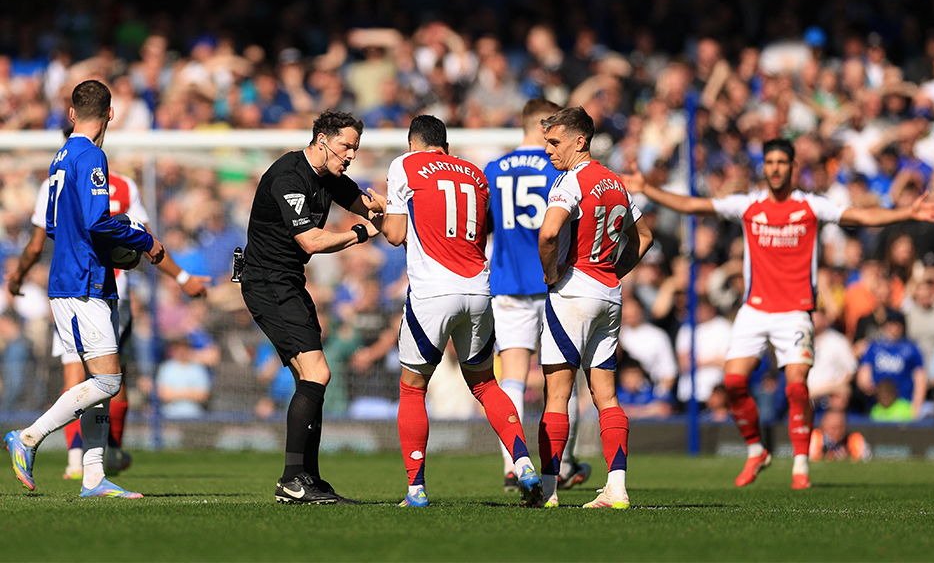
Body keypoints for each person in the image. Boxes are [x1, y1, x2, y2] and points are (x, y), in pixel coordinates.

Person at [621, 137, 934, 489]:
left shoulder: (810, 206)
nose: (775, 168)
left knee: (797, 386)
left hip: (795, 312)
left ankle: (801, 464)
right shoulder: (749, 205)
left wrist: (905, 213)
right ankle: (756, 450)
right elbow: (694, 205)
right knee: (733, 383)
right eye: (770, 162)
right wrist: (647, 188)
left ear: (793, 168)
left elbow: (860, 215)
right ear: (765, 167)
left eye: (781, 162)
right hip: (755, 310)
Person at [5, 145, 209, 481]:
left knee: (85, 375)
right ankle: (36, 439)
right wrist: (181, 276)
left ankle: (87, 470)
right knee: (109, 378)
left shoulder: (54, 180)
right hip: (94, 288)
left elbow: (41, 241)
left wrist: (19, 277)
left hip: (78, 284)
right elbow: (144, 237)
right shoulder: (123, 184)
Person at [370, 114, 543, 508]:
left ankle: (416, 489)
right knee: (485, 385)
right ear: (446, 146)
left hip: (433, 291)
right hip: (479, 290)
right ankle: (523, 463)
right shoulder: (475, 174)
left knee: (413, 388)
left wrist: (378, 213)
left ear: (413, 144)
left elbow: (395, 235)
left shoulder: (405, 164)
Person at [4, 79, 166, 498]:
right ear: (111, 113)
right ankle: (28, 437)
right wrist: (142, 239)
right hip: (82, 282)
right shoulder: (92, 155)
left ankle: (93, 477)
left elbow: (54, 225)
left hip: (82, 276)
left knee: (100, 383)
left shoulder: (60, 157)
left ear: (72, 113)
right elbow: (97, 220)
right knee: (108, 382)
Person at [239, 109, 384, 505]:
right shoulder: (289, 176)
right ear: (322, 140)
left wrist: (391, 207)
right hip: (267, 283)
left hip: (288, 281)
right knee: (317, 373)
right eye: (346, 146)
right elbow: (311, 241)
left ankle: (309, 479)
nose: (351, 155)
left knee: (311, 378)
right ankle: (292, 480)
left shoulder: (329, 175)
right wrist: (361, 233)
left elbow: (367, 203)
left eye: (355, 148)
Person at [536, 106, 653, 509]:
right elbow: (645, 236)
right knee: (607, 396)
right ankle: (616, 488)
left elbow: (549, 232)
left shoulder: (570, 182)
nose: (549, 150)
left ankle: (548, 491)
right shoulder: (615, 182)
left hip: (573, 293)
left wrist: (551, 274)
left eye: (555, 142)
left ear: (579, 141)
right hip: (608, 293)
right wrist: (615, 272)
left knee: (557, 395)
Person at [483, 97, 591, 493]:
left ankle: (514, 466)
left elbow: (485, 225)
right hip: (554, 280)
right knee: (561, 378)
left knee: (511, 376)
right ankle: (562, 466)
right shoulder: (557, 166)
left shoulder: (494, 168)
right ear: (546, 126)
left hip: (508, 281)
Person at [857, 309, 927, 420]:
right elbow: (864, 373)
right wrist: (867, 385)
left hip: (904, 404)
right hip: (877, 406)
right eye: (891, 323)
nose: (894, 327)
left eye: (898, 324)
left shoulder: (911, 349)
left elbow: (920, 378)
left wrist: (916, 406)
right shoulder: (874, 347)